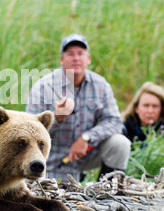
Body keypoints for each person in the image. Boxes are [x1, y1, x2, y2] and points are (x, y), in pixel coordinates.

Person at [26, 33, 130, 182]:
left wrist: (87, 138)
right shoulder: (43, 86)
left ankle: (108, 189)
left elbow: (115, 121)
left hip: (86, 154)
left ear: (88, 59)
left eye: (80, 54)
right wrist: (57, 119)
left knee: (120, 143)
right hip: (52, 159)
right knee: (55, 196)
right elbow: (29, 131)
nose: (76, 58)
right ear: (62, 60)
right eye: (70, 54)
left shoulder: (100, 85)